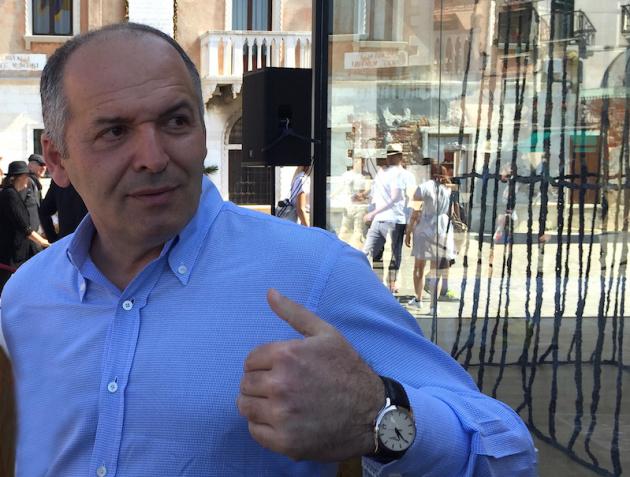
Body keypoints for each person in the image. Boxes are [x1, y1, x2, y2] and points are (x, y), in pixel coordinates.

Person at [0, 23, 537, 476]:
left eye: (176, 121)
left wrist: (377, 414)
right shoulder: (25, 298)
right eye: (115, 131)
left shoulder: (313, 272)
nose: (153, 156)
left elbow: (508, 452)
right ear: (58, 158)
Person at [405, 164, 457, 313]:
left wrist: (408, 231)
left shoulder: (423, 188)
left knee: (419, 267)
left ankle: (418, 299)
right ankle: (434, 305)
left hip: (425, 227)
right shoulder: (448, 189)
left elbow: (415, 212)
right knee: (435, 270)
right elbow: (452, 211)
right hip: (442, 228)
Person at [363, 144, 408, 293]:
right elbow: (374, 194)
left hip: (394, 219)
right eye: (388, 155)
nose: (389, 157)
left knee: (394, 254)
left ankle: (391, 284)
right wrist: (368, 206)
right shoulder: (381, 173)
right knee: (368, 252)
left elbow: (396, 198)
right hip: (379, 218)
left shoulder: (399, 174)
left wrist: (373, 213)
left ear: (399, 157)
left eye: (393, 155)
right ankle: (374, 284)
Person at [0, 161, 49, 292]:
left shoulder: (12, 194)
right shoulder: (9, 195)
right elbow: (24, 226)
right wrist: (43, 242)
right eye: (26, 177)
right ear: (20, 177)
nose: (28, 180)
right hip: (11, 255)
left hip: (16, 252)